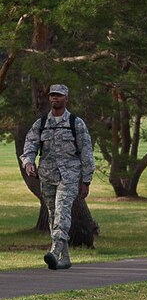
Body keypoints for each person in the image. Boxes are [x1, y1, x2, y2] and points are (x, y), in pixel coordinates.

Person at [19, 84, 95, 270]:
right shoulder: (42, 123)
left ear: (66, 98)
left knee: (62, 211)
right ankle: (65, 257)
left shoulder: (75, 123)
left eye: (59, 96)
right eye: (53, 95)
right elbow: (30, 146)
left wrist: (86, 181)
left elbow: (86, 153)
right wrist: (28, 162)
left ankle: (54, 250)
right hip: (47, 176)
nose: (55, 98)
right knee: (53, 215)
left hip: (69, 177)